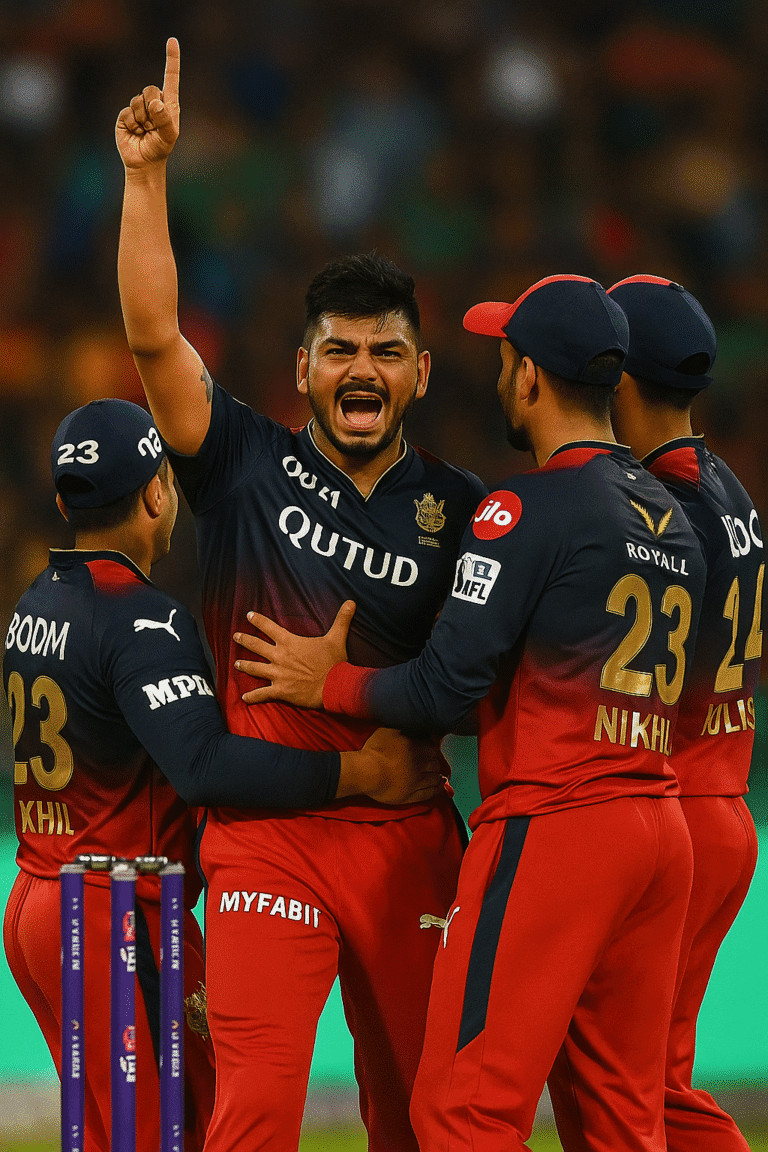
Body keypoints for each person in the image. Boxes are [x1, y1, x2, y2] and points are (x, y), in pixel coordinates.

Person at [236, 275, 710, 1152]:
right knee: (622, 1119)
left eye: (505, 359)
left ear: (528, 378)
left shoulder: (519, 507)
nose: (499, 377)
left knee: (462, 1113)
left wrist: (328, 683)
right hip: (661, 826)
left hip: (558, 824)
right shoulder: (673, 517)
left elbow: (440, 691)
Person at [115, 39, 487, 1152]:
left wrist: (350, 684)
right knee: (256, 1114)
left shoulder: (470, 513)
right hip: (266, 841)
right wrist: (145, 177)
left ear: (421, 372)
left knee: (431, 1116)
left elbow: (475, 685)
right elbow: (151, 336)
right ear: (302, 370)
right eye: (338, 353)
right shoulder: (240, 460)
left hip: (409, 835)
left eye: (384, 351)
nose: (360, 369)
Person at [2, 399, 444, 1152]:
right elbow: (206, 765)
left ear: (62, 501)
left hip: (39, 904)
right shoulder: (144, 620)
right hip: (120, 914)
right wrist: (360, 769)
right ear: (156, 493)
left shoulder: (32, 608)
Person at [605, 275, 760, 1152]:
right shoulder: (727, 490)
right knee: (651, 1073)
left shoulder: (665, 510)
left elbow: (639, 672)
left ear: (617, 375)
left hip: (680, 807)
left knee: (633, 1081)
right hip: (722, 804)